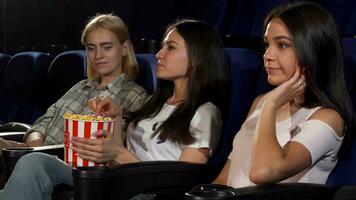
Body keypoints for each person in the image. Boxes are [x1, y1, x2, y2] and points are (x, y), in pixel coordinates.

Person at [0, 19, 228, 199]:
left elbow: (182, 178)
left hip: (145, 191)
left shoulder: (205, 112)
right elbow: (122, 149)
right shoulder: (156, 104)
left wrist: (117, 154)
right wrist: (116, 116)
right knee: (34, 162)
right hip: (114, 177)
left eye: (170, 47)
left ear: (197, 58)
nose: (159, 54)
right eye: (162, 46)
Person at [213, 1, 355, 188]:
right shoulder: (260, 103)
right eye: (267, 45)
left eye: (282, 45)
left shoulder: (327, 118)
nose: (267, 55)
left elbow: (263, 172)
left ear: (313, 50)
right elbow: (225, 178)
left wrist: (271, 103)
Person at [0, 14, 147, 149]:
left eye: (107, 47)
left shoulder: (134, 95)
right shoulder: (80, 86)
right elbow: (43, 122)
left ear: (124, 49)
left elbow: (112, 148)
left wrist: (38, 155)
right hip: (37, 154)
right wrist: (36, 147)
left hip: (71, 167)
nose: (98, 55)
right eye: (91, 48)